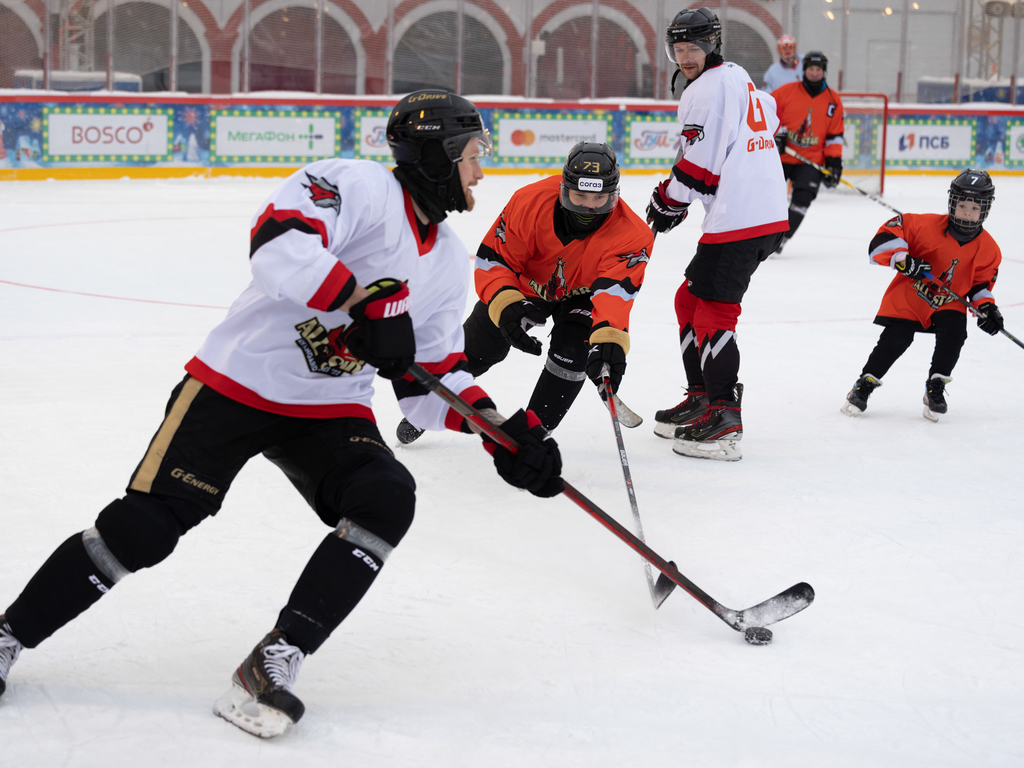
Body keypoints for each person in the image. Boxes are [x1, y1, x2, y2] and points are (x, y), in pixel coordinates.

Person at [0, 90, 564, 737]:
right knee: (146, 529)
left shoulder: (446, 258)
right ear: (437, 154)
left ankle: (275, 659)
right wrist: (360, 302)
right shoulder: (358, 185)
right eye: (472, 155)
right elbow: (276, 243)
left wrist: (502, 432)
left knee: (385, 497)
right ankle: (9, 634)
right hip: (237, 382)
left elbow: (426, 382)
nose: (481, 171)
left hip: (328, 409)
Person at [396, 142, 653, 444]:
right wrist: (505, 304)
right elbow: (496, 259)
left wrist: (609, 340)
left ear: (614, 194)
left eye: (599, 197)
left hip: (583, 296)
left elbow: (615, 294)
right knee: (482, 344)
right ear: (563, 187)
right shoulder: (529, 201)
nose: (589, 206)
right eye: (580, 195)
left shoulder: (633, 234)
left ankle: (531, 436)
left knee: (573, 351)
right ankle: (432, 401)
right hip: (527, 283)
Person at [646, 7, 789, 462]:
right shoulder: (739, 78)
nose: (685, 57)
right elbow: (769, 115)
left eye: (693, 47)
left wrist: (669, 200)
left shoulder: (705, 90)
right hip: (755, 213)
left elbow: (700, 165)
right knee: (687, 301)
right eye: (678, 48)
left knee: (713, 315)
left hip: (740, 218)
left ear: (712, 44)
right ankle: (703, 397)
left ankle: (725, 418)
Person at [842, 169, 1003, 421]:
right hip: (910, 298)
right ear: (952, 203)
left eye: (974, 208)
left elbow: (980, 285)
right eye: (962, 205)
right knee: (896, 339)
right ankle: (864, 384)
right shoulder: (922, 224)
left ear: (985, 210)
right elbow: (884, 239)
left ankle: (935, 388)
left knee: (955, 333)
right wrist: (903, 259)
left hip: (948, 303)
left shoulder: (989, 249)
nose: (967, 213)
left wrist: (988, 309)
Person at [770, 51, 845, 254]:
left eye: (818, 69)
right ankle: (760, 235)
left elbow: (834, 136)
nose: (814, 73)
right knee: (767, 196)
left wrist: (834, 163)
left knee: (803, 199)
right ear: (804, 70)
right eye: (810, 68)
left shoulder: (833, 101)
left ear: (824, 72)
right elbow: (764, 115)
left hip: (811, 160)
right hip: (781, 156)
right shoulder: (786, 92)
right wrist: (776, 135)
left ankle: (782, 239)